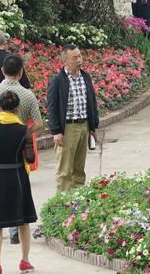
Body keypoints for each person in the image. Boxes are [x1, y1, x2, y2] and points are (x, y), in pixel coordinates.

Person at [0, 54, 42, 245]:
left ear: (2, 71)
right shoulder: (28, 95)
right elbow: (38, 123)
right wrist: (24, 132)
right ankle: (14, 229)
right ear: (21, 72)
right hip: (17, 150)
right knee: (16, 188)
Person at [0, 90, 38, 274]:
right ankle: (25, 261)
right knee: (23, 221)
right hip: (18, 176)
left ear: (0, 107)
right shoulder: (23, 130)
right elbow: (30, 158)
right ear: (17, 108)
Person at [46, 45, 99, 193]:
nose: (79, 60)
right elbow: (52, 107)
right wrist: (56, 131)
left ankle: (77, 200)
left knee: (79, 170)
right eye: (75, 58)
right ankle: (63, 201)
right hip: (68, 129)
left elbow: (92, 102)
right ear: (65, 61)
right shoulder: (58, 80)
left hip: (84, 126)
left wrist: (93, 127)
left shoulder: (85, 77)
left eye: (80, 56)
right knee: (64, 171)